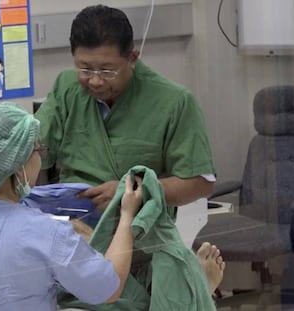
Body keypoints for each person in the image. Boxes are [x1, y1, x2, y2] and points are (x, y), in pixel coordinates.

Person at [34, 4, 225, 293]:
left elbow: (200, 182)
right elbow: (34, 146)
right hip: (74, 239)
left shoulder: (174, 102)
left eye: (107, 70)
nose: (95, 80)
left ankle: (196, 288)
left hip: (141, 245)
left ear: (132, 58)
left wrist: (131, 191)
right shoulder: (67, 88)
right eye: (85, 68)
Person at [0, 102, 143, 311]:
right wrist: (126, 216)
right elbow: (107, 287)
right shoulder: (45, 233)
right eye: (37, 150)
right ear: (16, 167)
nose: (40, 158)